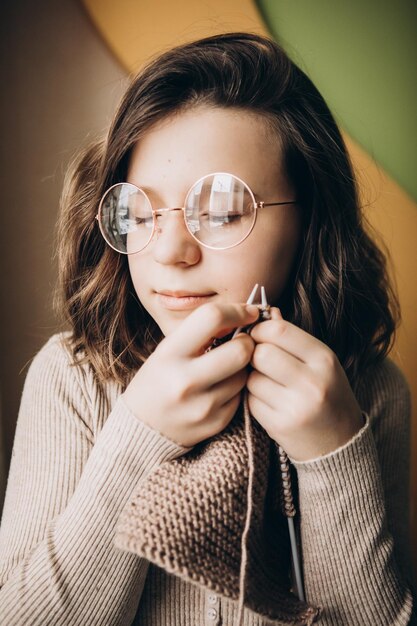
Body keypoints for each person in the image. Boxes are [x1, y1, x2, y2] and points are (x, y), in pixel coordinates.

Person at [0, 32, 414, 625]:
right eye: (140, 210)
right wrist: (138, 436)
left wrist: (334, 456)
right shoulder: (74, 377)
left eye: (220, 210)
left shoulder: (368, 391)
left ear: (310, 217)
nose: (169, 251)